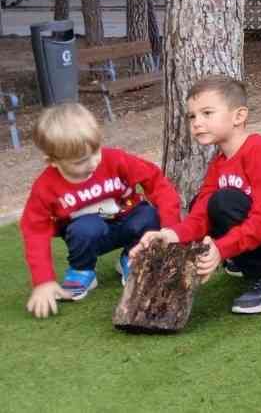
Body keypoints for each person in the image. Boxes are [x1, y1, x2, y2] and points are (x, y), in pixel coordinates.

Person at [132, 76, 261, 316]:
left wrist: (222, 247)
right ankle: (246, 261)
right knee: (204, 202)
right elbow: (200, 215)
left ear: (239, 116)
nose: (197, 123)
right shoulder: (219, 162)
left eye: (207, 113)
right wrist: (169, 235)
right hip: (260, 232)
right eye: (192, 116)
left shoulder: (260, 150)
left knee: (225, 201)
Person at [20, 103, 181, 319]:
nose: (94, 162)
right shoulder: (45, 187)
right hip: (89, 235)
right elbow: (34, 231)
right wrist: (43, 280)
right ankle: (82, 270)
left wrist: (170, 226)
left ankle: (133, 256)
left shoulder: (115, 159)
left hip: (127, 221)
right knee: (85, 227)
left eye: (95, 151)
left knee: (147, 216)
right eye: (81, 161)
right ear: (53, 162)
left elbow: (157, 182)